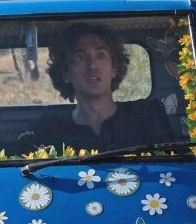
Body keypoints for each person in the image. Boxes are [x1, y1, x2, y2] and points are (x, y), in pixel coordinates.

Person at [21, 24, 173, 152]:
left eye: (100, 55)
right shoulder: (48, 131)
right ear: (65, 73)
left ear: (114, 68)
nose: (92, 66)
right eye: (80, 57)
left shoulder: (147, 118)